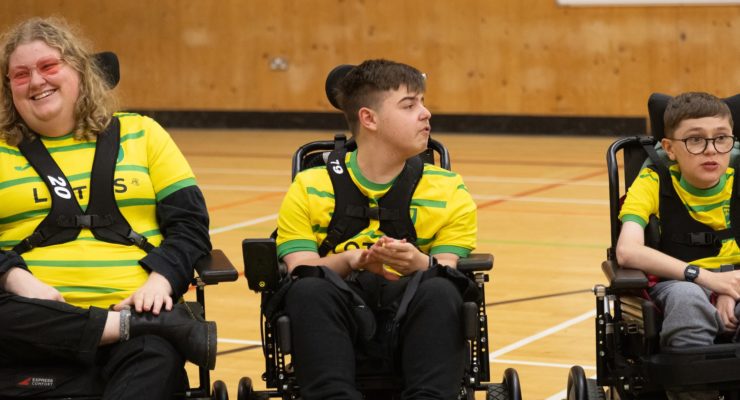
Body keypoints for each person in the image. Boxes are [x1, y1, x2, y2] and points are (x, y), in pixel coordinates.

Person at [0, 17, 215, 399]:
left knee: (154, 357)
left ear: (80, 72)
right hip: (33, 326)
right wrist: (13, 276)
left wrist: (160, 281)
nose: (36, 81)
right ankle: (144, 326)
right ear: (9, 88)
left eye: (49, 66)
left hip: (133, 312)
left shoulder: (143, 134)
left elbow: (191, 226)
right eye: (20, 74)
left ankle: (138, 329)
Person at [275, 59, 478, 399]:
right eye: (410, 105)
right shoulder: (309, 186)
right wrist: (352, 260)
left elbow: (447, 266)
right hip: (340, 316)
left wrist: (419, 264)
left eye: (423, 103)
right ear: (368, 118)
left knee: (442, 287)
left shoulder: (449, 189)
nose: (426, 113)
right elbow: (299, 269)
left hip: (411, 318)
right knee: (308, 290)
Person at [616, 92, 740, 400]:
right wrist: (709, 280)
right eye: (695, 140)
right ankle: (693, 392)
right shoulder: (652, 182)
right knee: (687, 300)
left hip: (736, 280)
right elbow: (627, 251)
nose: (711, 150)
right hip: (679, 282)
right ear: (670, 148)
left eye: (721, 138)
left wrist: (730, 288)